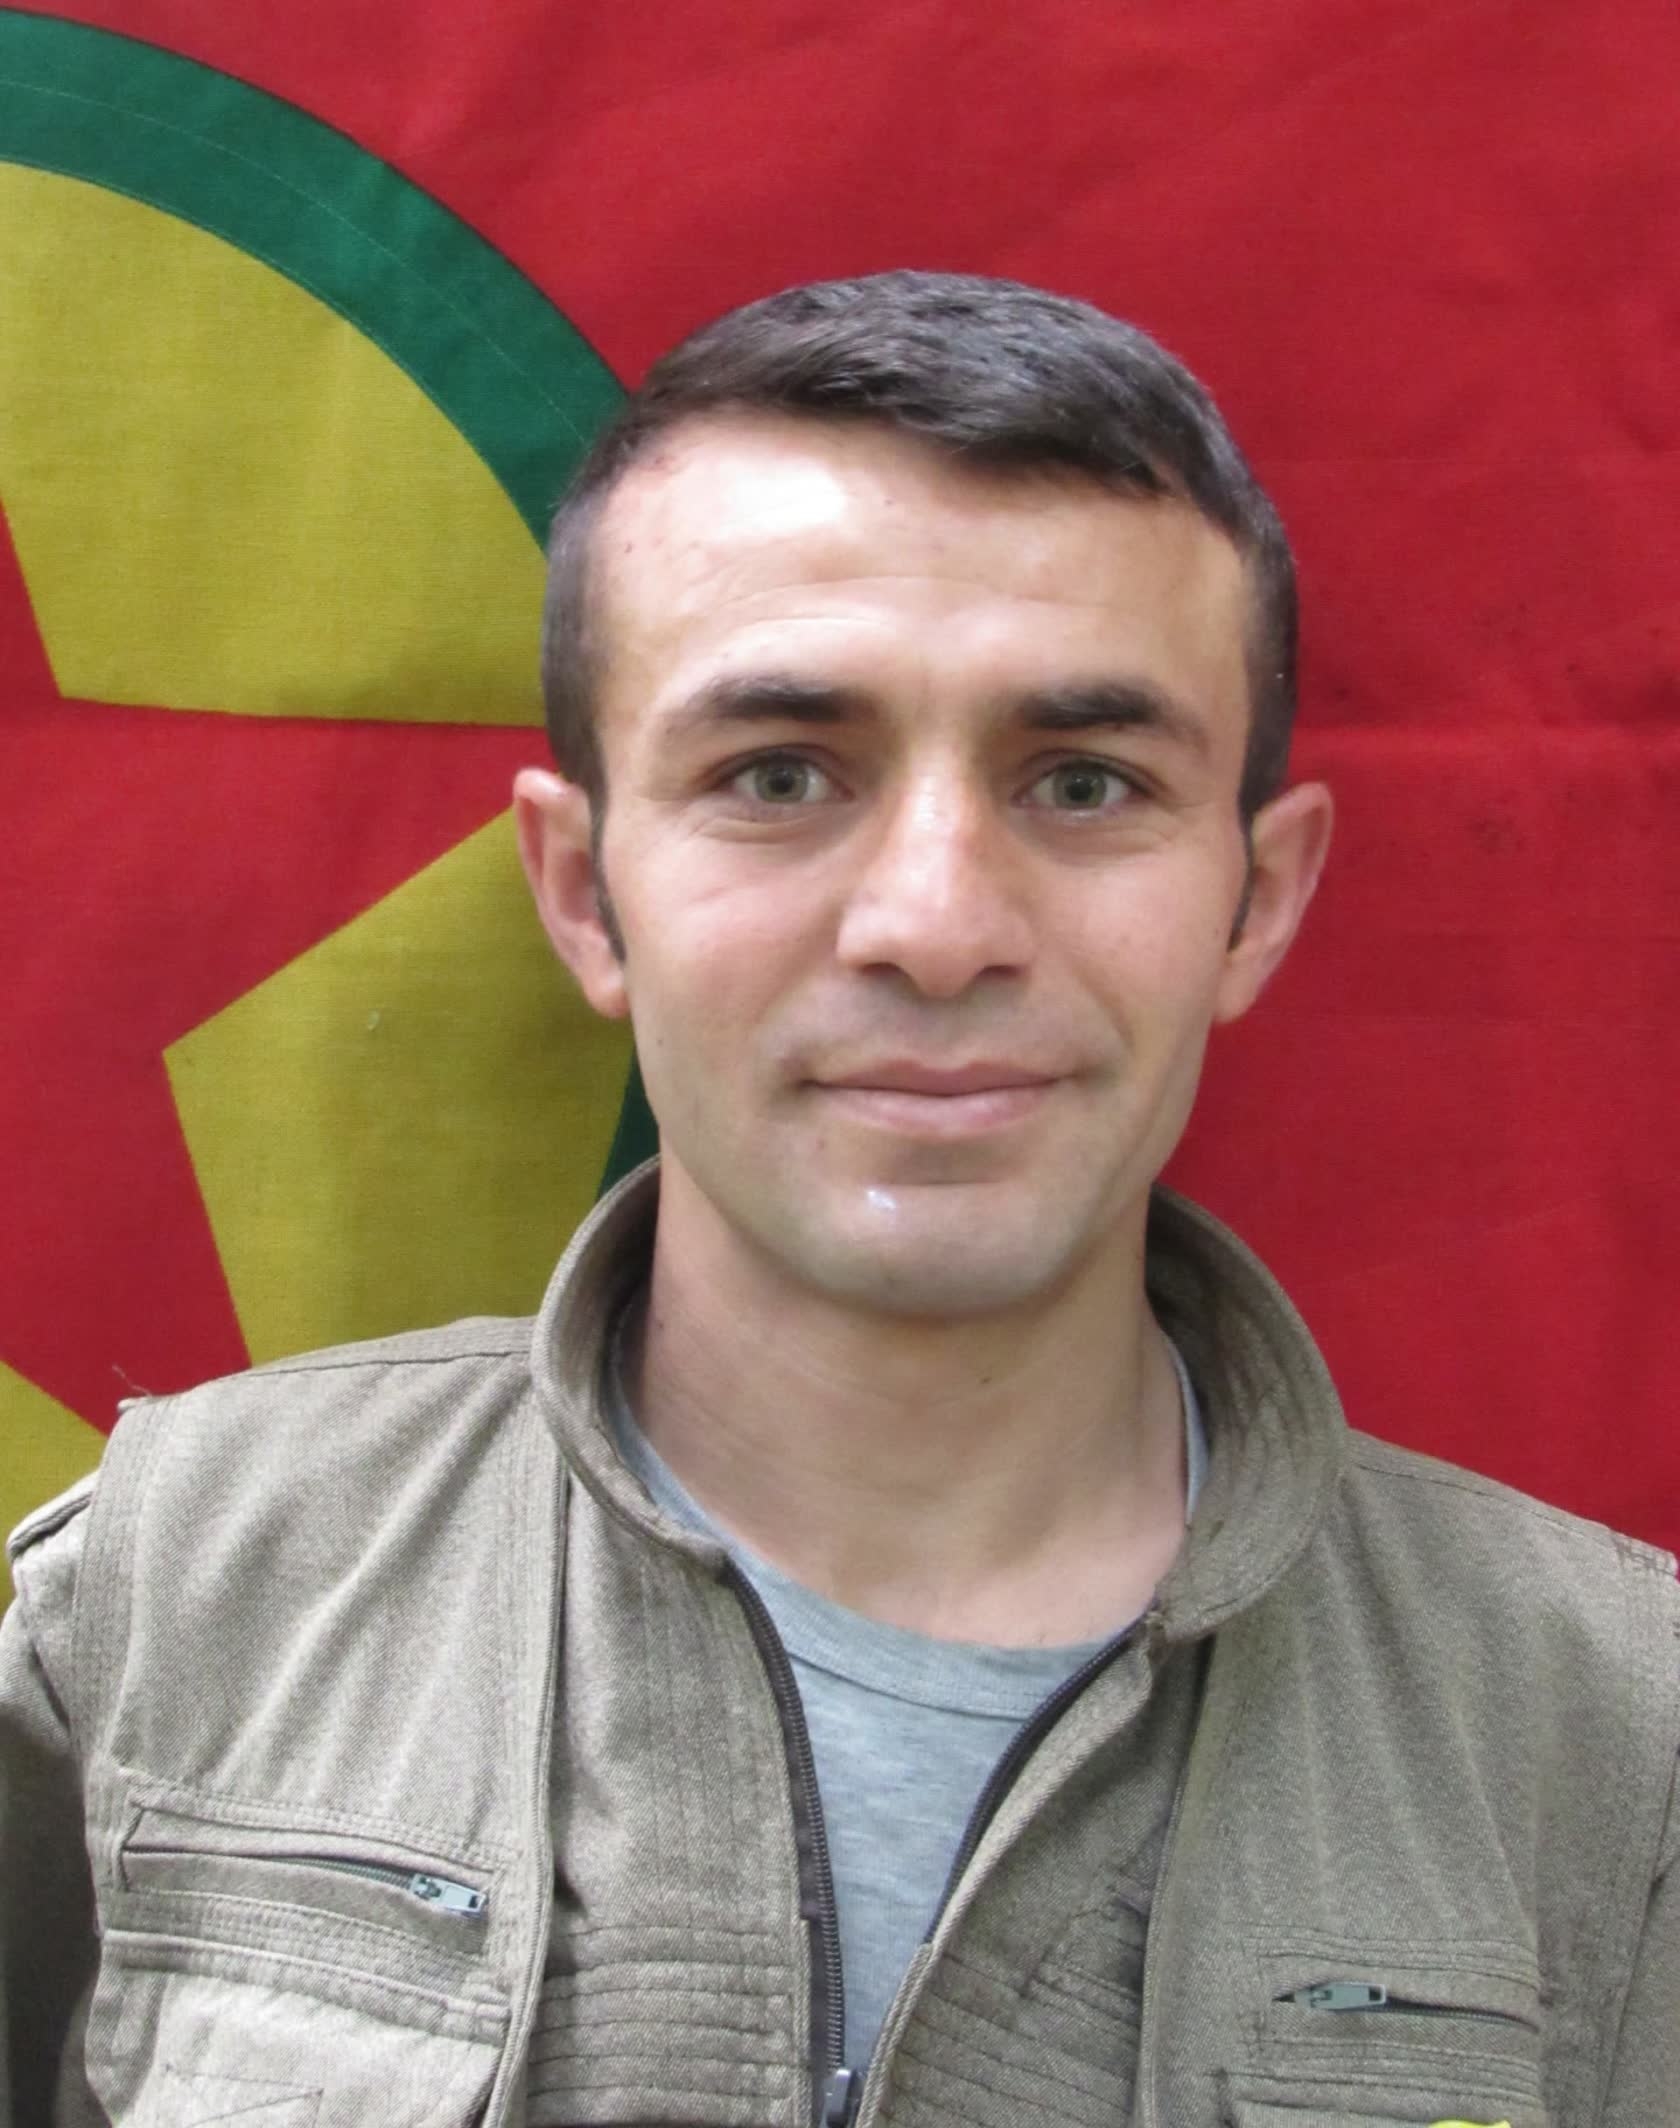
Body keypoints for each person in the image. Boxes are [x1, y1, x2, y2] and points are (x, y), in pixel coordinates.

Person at [2, 271, 1674, 2128]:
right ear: (583, 893)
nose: (936, 927)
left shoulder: (1618, 1748)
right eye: (781, 775)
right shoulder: (172, 1597)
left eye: (1085, 783)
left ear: (1255, 903)